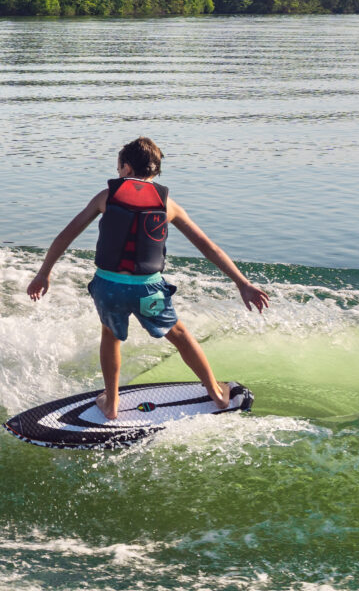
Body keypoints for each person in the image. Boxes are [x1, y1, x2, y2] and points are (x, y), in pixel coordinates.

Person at [26, 136, 269, 423]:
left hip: (109, 288)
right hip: (147, 291)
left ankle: (112, 403)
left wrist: (43, 273)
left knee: (111, 336)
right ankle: (216, 393)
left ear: (126, 167)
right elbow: (208, 247)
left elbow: (66, 235)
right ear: (155, 172)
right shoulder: (168, 205)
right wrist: (243, 283)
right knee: (179, 336)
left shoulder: (106, 196)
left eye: (119, 168)